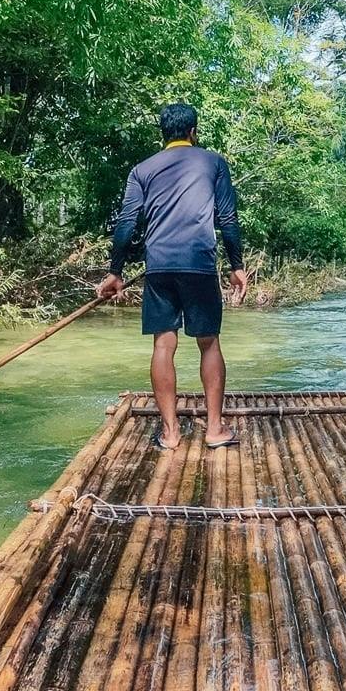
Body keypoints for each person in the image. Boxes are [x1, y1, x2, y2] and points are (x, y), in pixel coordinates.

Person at [97, 102, 250, 450]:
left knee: (163, 344)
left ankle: (170, 433)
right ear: (193, 132)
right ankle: (214, 430)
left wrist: (115, 272)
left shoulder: (142, 169)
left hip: (160, 264)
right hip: (199, 262)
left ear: (163, 134)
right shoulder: (214, 162)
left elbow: (126, 223)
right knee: (208, 341)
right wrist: (236, 266)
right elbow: (227, 219)